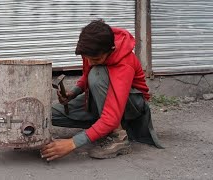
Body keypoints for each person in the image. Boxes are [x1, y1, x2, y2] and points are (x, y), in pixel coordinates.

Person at [41, 19, 163, 161]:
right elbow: (86, 76)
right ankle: (100, 127)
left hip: (131, 107)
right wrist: (73, 93)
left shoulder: (125, 63)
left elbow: (110, 116)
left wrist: (72, 143)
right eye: (87, 58)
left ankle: (118, 136)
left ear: (110, 50)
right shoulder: (92, 49)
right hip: (101, 102)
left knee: (97, 74)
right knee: (49, 115)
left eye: (96, 59)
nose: (91, 62)